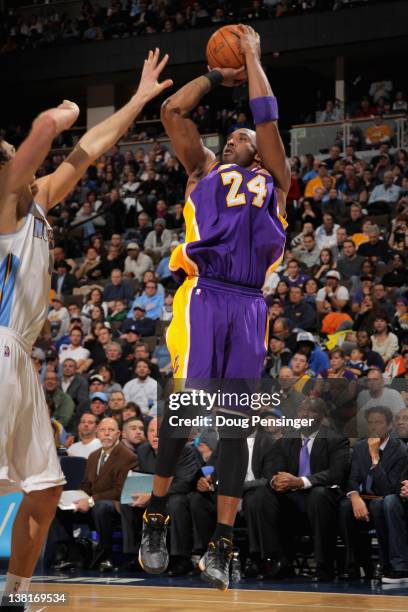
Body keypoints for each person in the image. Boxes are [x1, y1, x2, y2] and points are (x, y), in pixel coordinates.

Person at [0, 53, 170, 602]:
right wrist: (56, 117)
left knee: (46, 490)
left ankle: (16, 591)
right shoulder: (4, 204)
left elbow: (92, 148)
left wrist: (139, 100)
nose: (21, 168)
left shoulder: (39, 202)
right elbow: (48, 136)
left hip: (22, 360)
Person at [139, 25, 290, 591]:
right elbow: (175, 113)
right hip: (205, 293)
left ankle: (223, 547)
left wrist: (251, 59)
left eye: (241, 137)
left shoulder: (276, 180)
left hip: (250, 303)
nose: (233, 140)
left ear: (259, 150)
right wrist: (213, 75)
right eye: (228, 138)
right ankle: (155, 514)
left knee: (235, 425)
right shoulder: (203, 169)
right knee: (184, 402)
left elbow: (268, 119)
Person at [253, 398, 350, 581]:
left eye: (311, 411)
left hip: (322, 495)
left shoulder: (335, 439)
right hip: (292, 496)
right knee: (262, 495)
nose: (304, 414)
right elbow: (273, 468)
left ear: (321, 416)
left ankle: (324, 565)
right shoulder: (287, 439)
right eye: (301, 410)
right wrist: (276, 481)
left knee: (318, 495)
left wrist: (301, 482)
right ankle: (277, 561)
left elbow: (336, 474)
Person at [51, 417, 137, 572]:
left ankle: (106, 556)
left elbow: (120, 490)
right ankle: (73, 554)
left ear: (118, 434)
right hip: (93, 504)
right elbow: (86, 485)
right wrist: (76, 499)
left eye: (111, 430)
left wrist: (90, 501)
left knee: (101, 507)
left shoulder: (128, 456)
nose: (107, 434)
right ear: (97, 434)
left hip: (116, 507)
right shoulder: (93, 456)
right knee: (59, 507)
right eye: (103, 430)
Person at [339, 406, 407, 579]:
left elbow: (389, 490)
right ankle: (353, 565)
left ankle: (386, 565)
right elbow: (353, 479)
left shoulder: (399, 450)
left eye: (378, 423)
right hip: (364, 498)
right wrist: (354, 497)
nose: (373, 427)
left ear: (390, 425)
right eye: (370, 423)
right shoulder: (360, 447)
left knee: (380, 504)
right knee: (345, 506)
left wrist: (375, 457)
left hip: (384, 499)